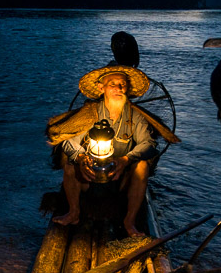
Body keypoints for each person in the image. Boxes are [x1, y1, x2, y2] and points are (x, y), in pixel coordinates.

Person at [45, 65, 168, 236]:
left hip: (120, 180)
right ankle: (74, 212)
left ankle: (129, 221)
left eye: (122, 84)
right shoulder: (89, 114)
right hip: (90, 177)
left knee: (142, 166)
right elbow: (69, 141)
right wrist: (81, 158)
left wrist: (126, 159)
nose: (118, 88)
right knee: (69, 165)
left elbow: (148, 144)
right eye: (112, 84)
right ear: (101, 88)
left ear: (128, 88)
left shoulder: (135, 117)